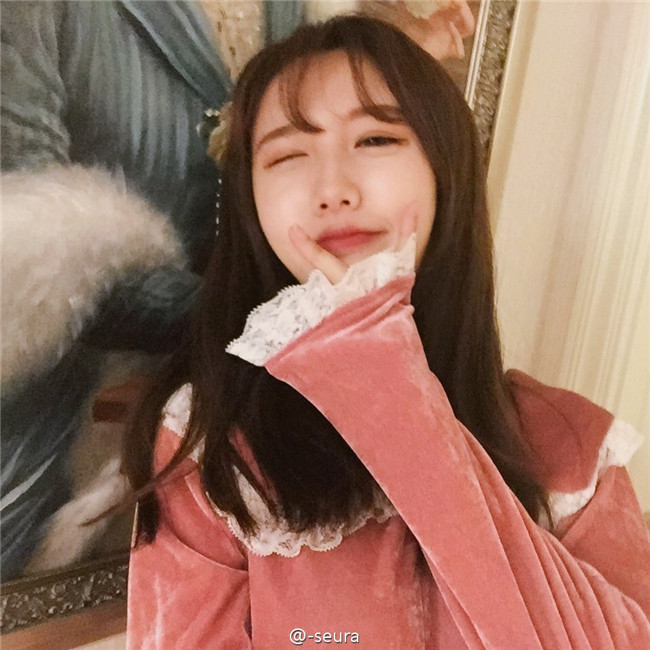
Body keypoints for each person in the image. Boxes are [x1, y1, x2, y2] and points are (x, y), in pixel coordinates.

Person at [124, 14, 650, 649]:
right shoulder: (214, 445)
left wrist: (388, 385)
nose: (333, 189)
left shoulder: (570, 444)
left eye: (375, 139)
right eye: (288, 154)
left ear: (445, 170)